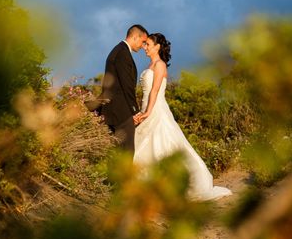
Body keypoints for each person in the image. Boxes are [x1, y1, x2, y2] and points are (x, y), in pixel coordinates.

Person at [133, 33, 232, 201]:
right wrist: (141, 111)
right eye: (144, 44)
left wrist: (148, 112)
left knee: (163, 145)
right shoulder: (150, 64)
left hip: (156, 109)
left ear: (157, 46)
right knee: (145, 147)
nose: (144, 47)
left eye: (148, 44)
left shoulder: (160, 65)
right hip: (145, 107)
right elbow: (146, 92)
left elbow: (155, 91)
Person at [99, 24, 148, 152]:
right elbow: (127, 86)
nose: (143, 46)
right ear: (135, 37)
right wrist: (135, 111)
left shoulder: (119, 50)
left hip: (115, 111)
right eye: (143, 42)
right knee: (126, 154)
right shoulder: (122, 54)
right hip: (121, 112)